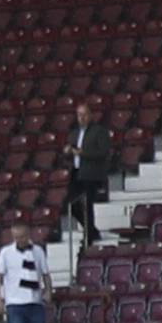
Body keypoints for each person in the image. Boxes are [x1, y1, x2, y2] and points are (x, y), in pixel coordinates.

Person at [63, 99, 112, 250]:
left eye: (84, 115)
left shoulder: (99, 131)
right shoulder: (74, 132)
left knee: (87, 205)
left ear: (91, 115)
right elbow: (70, 149)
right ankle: (92, 230)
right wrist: (67, 151)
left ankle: (90, 234)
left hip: (91, 174)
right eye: (79, 115)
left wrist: (84, 153)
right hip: (77, 173)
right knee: (70, 203)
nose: (81, 118)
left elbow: (103, 152)